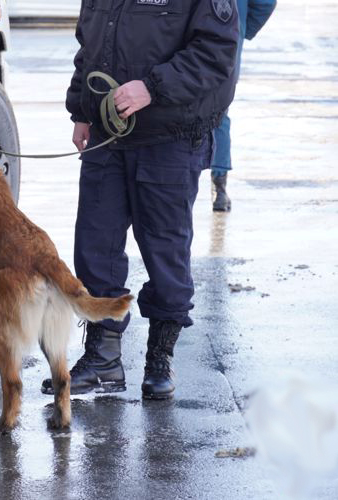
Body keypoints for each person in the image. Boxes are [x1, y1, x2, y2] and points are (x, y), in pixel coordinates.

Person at [41, 0, 239, 400]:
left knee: (165, 250)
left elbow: (217, 52)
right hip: (107, 132)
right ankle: (103, 358)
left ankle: (159, 358)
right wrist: (81, 109)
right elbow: (90, 45)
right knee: (95, 244)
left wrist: (152, 88)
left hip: (170, 137)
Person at [211, 0, 277, 211]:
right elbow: (265, 3)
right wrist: (240, 30)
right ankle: (219, 189)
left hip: (177, 44)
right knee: (218, 115)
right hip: (227, 42)